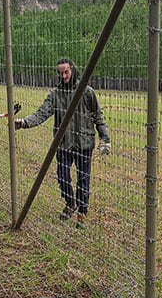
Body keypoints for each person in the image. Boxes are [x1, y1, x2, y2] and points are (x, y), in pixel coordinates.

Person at [15, 58, 110, 228]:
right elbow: (41, 113)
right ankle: (70, 203)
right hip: (63, 144)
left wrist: (105, 138)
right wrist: (25, 122)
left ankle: (82, 212)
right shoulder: (55, 94)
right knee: (63, 177)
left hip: (84, 143)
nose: (63, 75)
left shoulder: (87, 92)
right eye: (60, 73)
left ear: (73, 70)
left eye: (66, 72)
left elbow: (98, 116)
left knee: (83, 180)